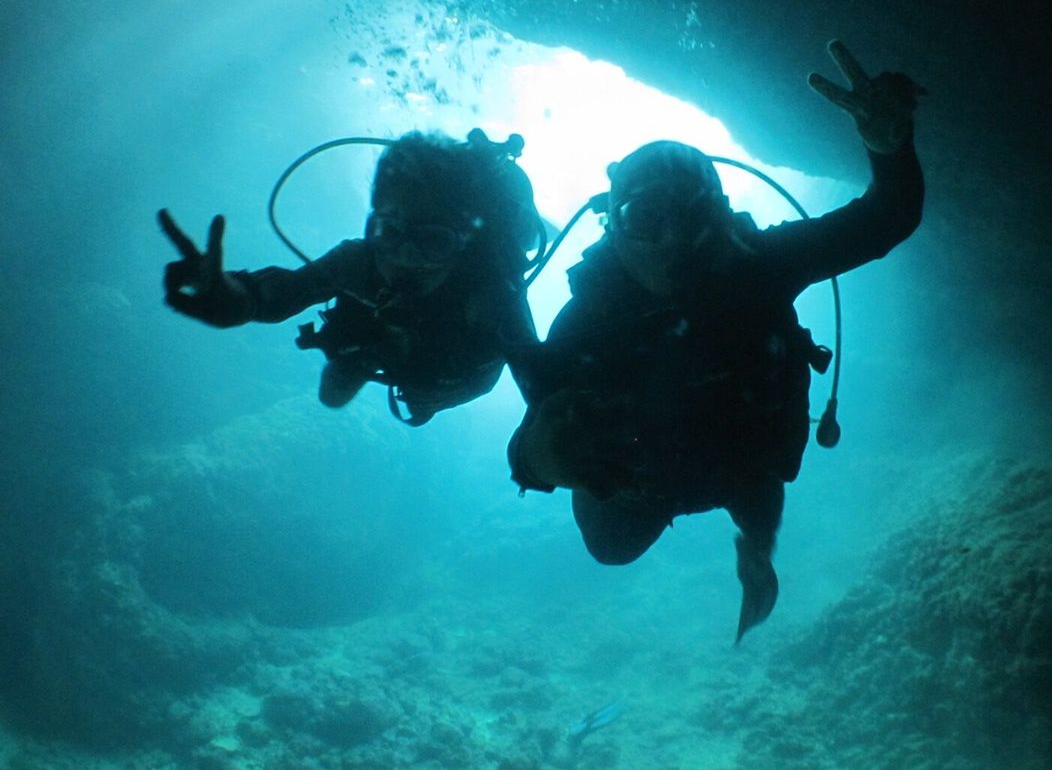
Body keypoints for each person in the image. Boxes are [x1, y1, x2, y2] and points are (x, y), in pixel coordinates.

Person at [506, 41, 925, 641]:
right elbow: (532, 431)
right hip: (651, 480)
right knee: (610, 546)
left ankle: (756, 552)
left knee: (758, 495)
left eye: (693, 215)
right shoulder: (588, 321)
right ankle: (750, 542)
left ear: (722, 216)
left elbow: (887, 218)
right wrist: (539, 459)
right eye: (646, 217)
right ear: (613, 225)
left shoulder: (760, 265)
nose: (673, 240)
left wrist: (889, 150)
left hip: (744, 455)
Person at [158, 129, 540, 426]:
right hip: (380, 342)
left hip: (454, 374)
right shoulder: (357, 262)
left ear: (465, 245)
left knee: (402, 394)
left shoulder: (491, 290)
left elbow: (536, 380)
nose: (406, 259)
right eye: (390, 233)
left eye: (432, 241)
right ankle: (363, 357)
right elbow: (287, 290)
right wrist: (239, 296)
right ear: (372, 226)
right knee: (333, 394)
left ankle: (393, 372)